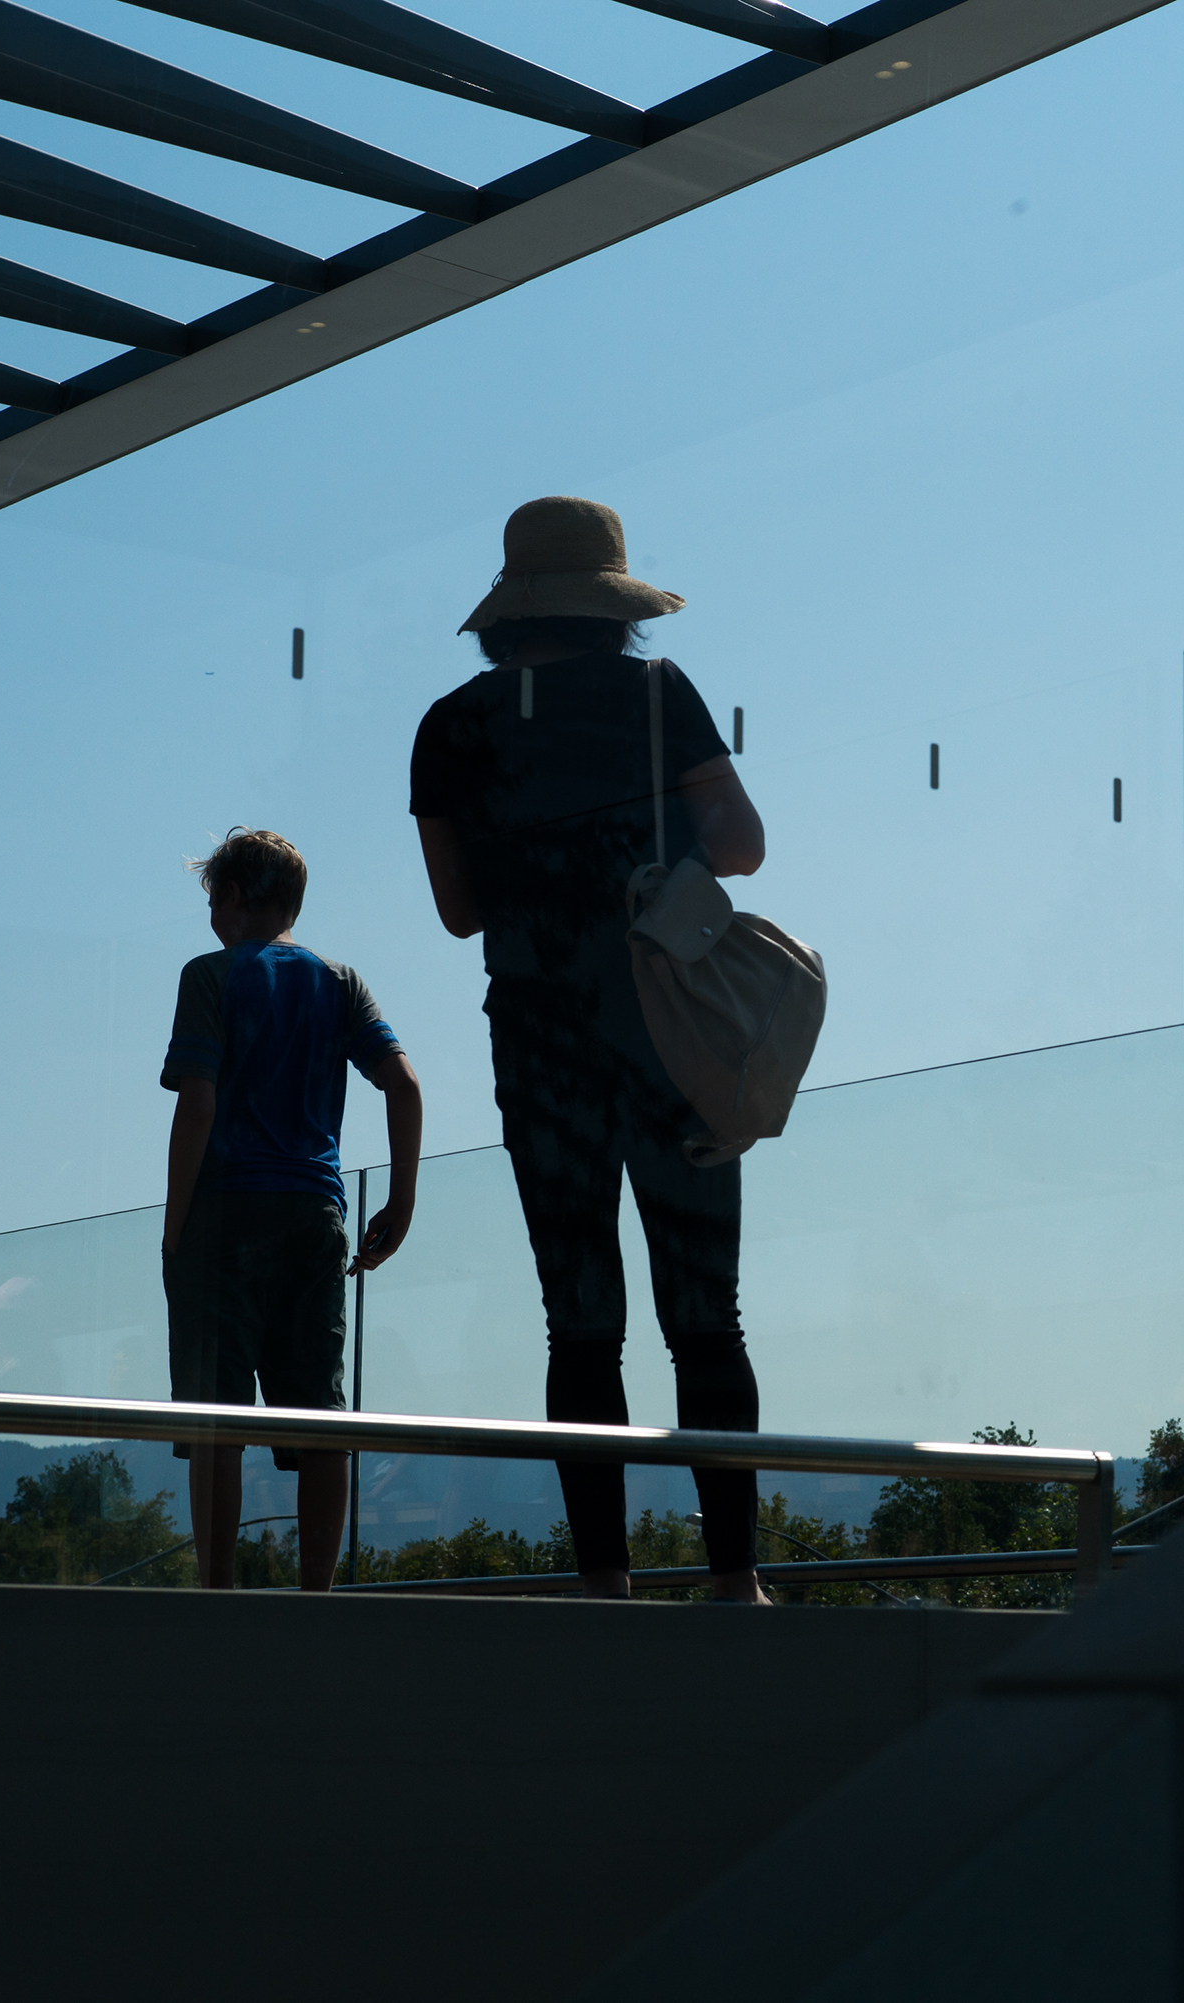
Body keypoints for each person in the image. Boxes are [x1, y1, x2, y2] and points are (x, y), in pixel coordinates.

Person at [409, 495, 773, 1604]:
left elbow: (459, 910)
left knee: (580, 1322)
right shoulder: (660, 696)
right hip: (674, 1037)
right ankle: (732, 1576)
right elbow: (745, 848)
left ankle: (603, 1577)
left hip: (538, 1045)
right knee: (707, 1314)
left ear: (507, 610)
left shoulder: (450, 725)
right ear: (613, 601)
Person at [160, 827, 421, 1591]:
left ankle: (218, 1589)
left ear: (236, 896)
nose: (212, 915)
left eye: (214, 899)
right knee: (320, 1420)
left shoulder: (209, 975)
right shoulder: (339, 980)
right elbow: (402, 1084)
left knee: (218, 1422)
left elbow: (197, 1105)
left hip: (224, 1216)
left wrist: (175, 1229)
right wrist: (400, 1200)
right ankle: (316, 1595)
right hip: (315, 1212)